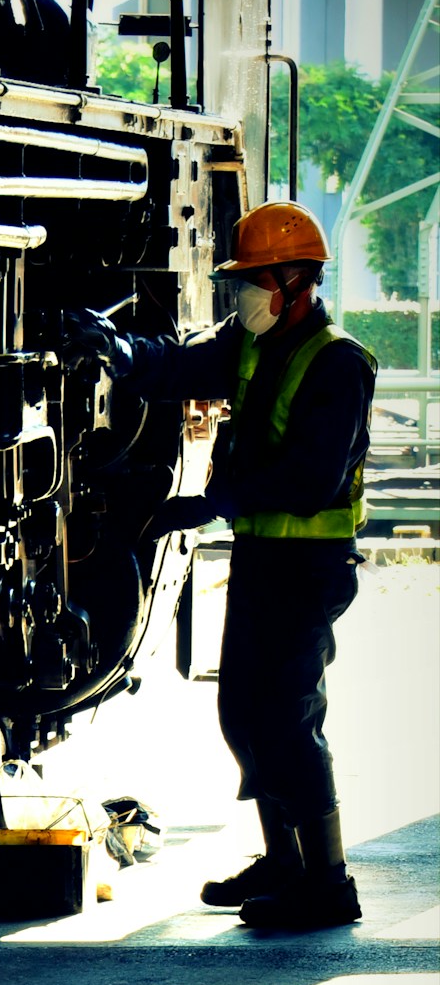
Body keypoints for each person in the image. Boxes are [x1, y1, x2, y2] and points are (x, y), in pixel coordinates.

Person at [64, 203, 377, 930]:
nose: (243, 295)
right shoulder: (251, 340)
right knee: (244, 712)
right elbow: (180, 365)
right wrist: (117, 349)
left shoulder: (339, 363)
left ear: (296, 282)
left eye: (253, 282)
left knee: (288, 718)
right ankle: (286, 863)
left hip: (310, 565)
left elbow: (312, 480)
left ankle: (329, 884)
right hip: (265, 558)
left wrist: (212, 502)